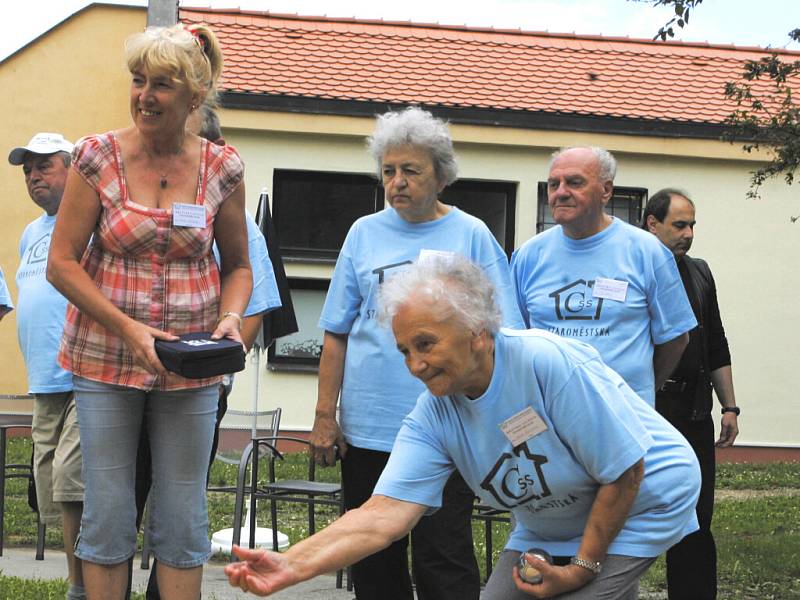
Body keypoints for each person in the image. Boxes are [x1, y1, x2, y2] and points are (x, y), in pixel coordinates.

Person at [225, 254, 701, 599]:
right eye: (405, 350)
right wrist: (292, 563)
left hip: (645, 494)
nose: (415, 365)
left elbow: (625, 470)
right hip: (552, 516)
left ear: (478, 332)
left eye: (426, 344)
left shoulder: (545, 363)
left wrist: (583, 568)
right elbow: (383, 514)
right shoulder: (435, 412)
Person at [47, 24, 252, 600]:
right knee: (109, 508)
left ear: (193, 97)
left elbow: (238, 265)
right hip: (104, 359)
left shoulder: (222, 168)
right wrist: (130, 329)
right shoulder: (97, 157)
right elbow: (61, 263)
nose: (144, 96)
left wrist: (232, 317)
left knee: (184, 508)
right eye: (138, 82)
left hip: (190, 366)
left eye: (161, 85)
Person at [309, 106, 524, 600]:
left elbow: (500, 332)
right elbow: (336, 331)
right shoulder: (363, 233)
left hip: (448, 425)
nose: (397, 181)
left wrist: (496, 415)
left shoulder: (470, 235)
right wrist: (325, 414)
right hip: (368, 427)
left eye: (411, 170)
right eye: (388, 170)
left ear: (441, 176)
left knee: (442, 556)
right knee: (371, 556)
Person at [138, 103, 282, 600]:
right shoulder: (146, 198)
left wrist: (220, 365)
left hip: (199, 384)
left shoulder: (233, 214)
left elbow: (257, 299)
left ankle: (165, 588)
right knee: (130, 488)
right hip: (133, 375)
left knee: (179, 494)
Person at [511, 146, 697, 406]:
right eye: (554, 184)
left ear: (606, 191)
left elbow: (676, 338)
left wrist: (639, 392)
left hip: (625, 419)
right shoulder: (528, 256)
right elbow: (515, 339)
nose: (561, 192)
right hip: (550, 420)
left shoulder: (647, 251)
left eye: (574, 183)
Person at [643, 188, 740, 600]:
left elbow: (715, 342)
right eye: (679, 225)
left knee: (697, 521)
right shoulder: (636, 268)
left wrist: (730, 406)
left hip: (694, 412)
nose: (689, 233)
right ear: (653, 224)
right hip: (649, 409)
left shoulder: (699, 272)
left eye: (692, 225)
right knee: (630, 516)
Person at [8, 132, 85, 600]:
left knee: (71, 482)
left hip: (81, 374)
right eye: (27, 170)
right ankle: (78, 579)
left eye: (44, 166)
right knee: (52, 493)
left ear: (72, 169)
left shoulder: (87, 221)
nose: (34, 176)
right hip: (43, 381)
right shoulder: (30, 232)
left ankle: (82, 587)